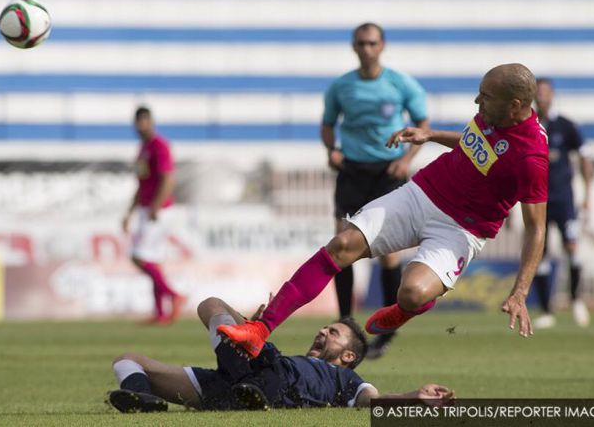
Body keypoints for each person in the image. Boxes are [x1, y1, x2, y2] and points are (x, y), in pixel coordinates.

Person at [218, 63, 549, 358]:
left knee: (412, 292)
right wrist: (430, 134)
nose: (478, 102)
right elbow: (477, 141)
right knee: (341, 245)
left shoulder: (531, 160)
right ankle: (259, 331)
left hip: (462, 229)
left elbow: (536, 229)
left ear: (515, 106)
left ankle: (407, 308)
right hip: (423, 193)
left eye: (485, 96)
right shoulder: (496, 113)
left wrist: (520, 292)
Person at [107, 296, 454, 412]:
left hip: (274, 382)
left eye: (333, 333)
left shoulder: (347, 380)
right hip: (241, 378)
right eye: (324, 328)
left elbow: (373, 402)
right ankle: (142, 398)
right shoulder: (289, 359)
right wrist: (249, 326)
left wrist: (414, 397)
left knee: (271, 370)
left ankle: (254, 393)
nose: (322, 331)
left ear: (348, 357)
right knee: (128, 358)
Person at [322, 22, 429, 359]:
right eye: (360, 43)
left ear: (382, 46)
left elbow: (423, 123)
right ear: (354, 47)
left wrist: (408, 158)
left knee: (388, 251)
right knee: (341, 243)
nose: (366, 49)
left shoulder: (399, 83)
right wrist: (332, 150)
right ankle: (345, 321)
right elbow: (327, 125)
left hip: (388, 172)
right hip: (352, 170)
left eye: (371, 43)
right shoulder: (342, 86)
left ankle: (386, 327)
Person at [532, 78, 593, 329]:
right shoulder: (530, 126)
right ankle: (547, 310)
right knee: (539, 253)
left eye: (546, 93)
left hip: (564, 200)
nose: (542, 97)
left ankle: (576, 299)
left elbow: (585, 158)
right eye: (538, 93)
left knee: (572, 247)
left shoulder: (565, 126)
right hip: (538, 201)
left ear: (552, 95)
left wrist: (588, 196)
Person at [122, 106, 185, 325]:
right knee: (152, 260)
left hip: (158, 210)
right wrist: (130, 212)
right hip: (146, 209)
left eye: (144, 121)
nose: (141, 125)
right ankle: (160, 312)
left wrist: (156, 207)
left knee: (138, 256)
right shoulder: (143, 149)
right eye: (138, 121)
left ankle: (174, 295)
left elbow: (167, 178)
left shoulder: (160, 146)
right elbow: (142, 183)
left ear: (151, 122)